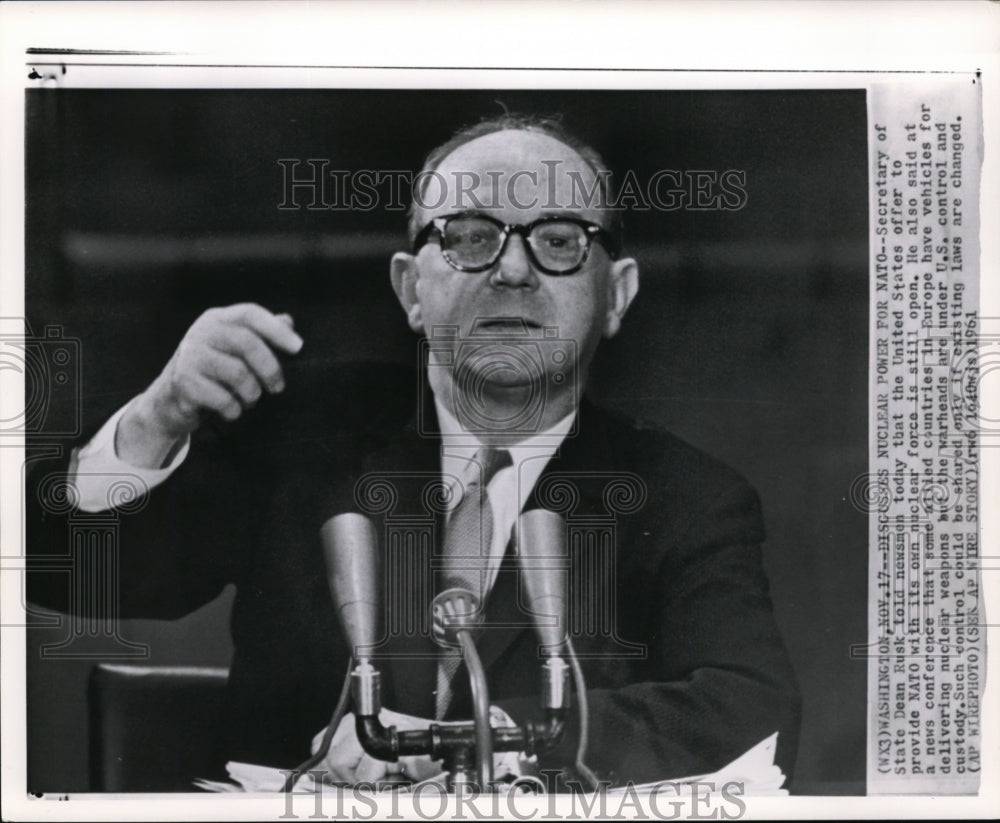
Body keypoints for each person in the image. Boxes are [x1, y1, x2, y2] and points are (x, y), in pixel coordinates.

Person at [27, 113, 801, 789]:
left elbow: (751, 705)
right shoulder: (300, 431)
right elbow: (75, 574)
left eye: (561, 241)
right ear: (409, 288)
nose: (512, 269)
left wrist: (492, 747)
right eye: (469, 237)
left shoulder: (688, 495)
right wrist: (158, 418)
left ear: (618, 294)